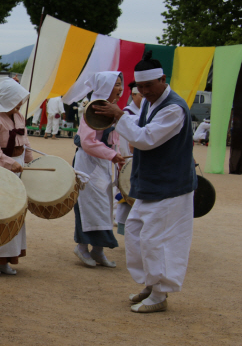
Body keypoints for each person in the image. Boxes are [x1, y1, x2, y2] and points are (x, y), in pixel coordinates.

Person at [95, 51, 198, 313]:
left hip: (170, 187)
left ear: (163, 79)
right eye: (140, 87)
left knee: (157, 240)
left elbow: (146, 139)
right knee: (136, 232)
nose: (144, 92)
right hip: (151, 183)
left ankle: (160, 294)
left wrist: (119, 116)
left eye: (148, 86)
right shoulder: (152, 103)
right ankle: (151, 284)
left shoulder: (174, 107)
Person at [0, 78, 32, 275]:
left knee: (14, 211)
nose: (20, 104)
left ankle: (6, 258)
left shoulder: (19, 116)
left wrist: (29, 161)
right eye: (17, 100)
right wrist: (10, 163)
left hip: (17, 167)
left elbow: (25, 142)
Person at [72, 72, 126, 268]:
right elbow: (87, 142)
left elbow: (114, 139)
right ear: (107, 86)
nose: (120, 88)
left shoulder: (112, 108)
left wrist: (117, 157)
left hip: (103, 163)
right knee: (88, 205)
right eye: (117, 84)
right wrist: (112, 155)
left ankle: (98, 251)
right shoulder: (93, 108)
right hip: (87, 163)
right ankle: (82, 247)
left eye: (121, 84)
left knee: (104, 206)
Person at [114, 82, 143, 235]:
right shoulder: (127, 113)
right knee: (127, 194)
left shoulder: (144, 111)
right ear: (133, 95)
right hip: (129, 159)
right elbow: (125, 142)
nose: (143, 98)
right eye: (141, 95)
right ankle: (123, 226)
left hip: (137, 158)